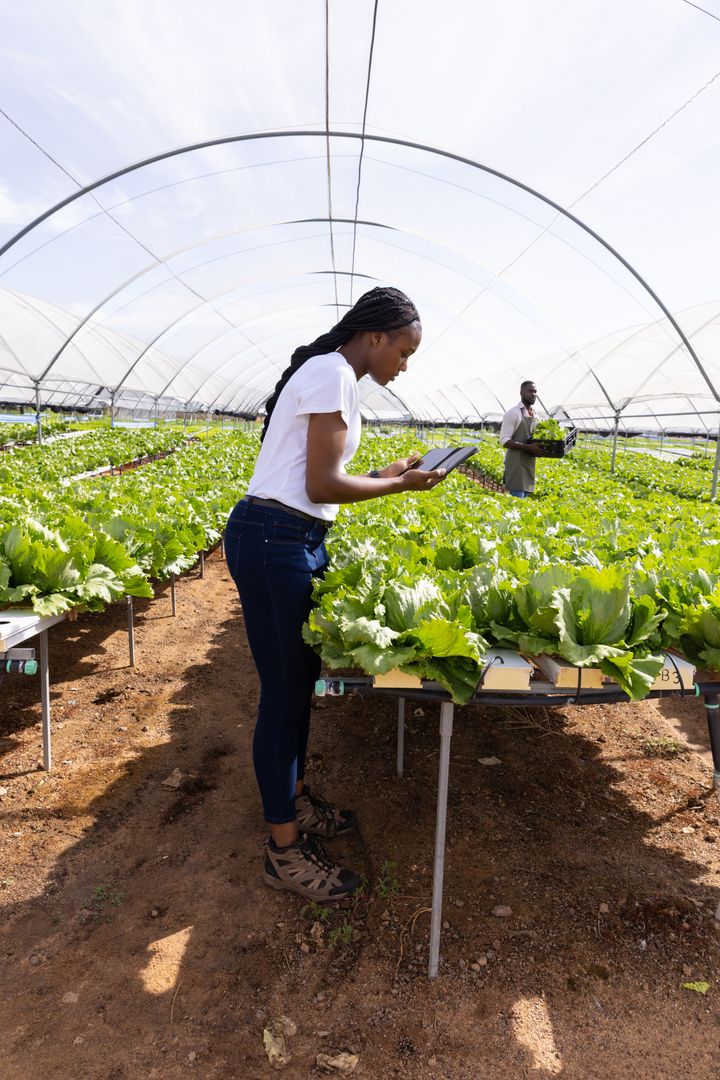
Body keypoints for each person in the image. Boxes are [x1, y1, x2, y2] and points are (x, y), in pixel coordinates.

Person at [224, 287, 446, 902]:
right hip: (274, 540)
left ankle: (294, 804)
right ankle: (284, 850)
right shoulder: (330, 373)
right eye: (404, 351)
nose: (404, 365)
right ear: (376, 337)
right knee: (282, 699)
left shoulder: (333, 374)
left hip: (293, 534)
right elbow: (322, 483)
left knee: (298, 689)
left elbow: (316, 485)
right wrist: (399, 491)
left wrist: (387, 475)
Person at [499, 380, 545, 497]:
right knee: (516, 502)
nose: (533, 394)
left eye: (535, 392)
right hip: (515, 464)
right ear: (521, 392)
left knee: (523, 504)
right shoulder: (514, 413)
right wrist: (528, 447)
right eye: (530, 391)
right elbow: (504, 441)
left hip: (528, 463)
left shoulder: (535, 415)